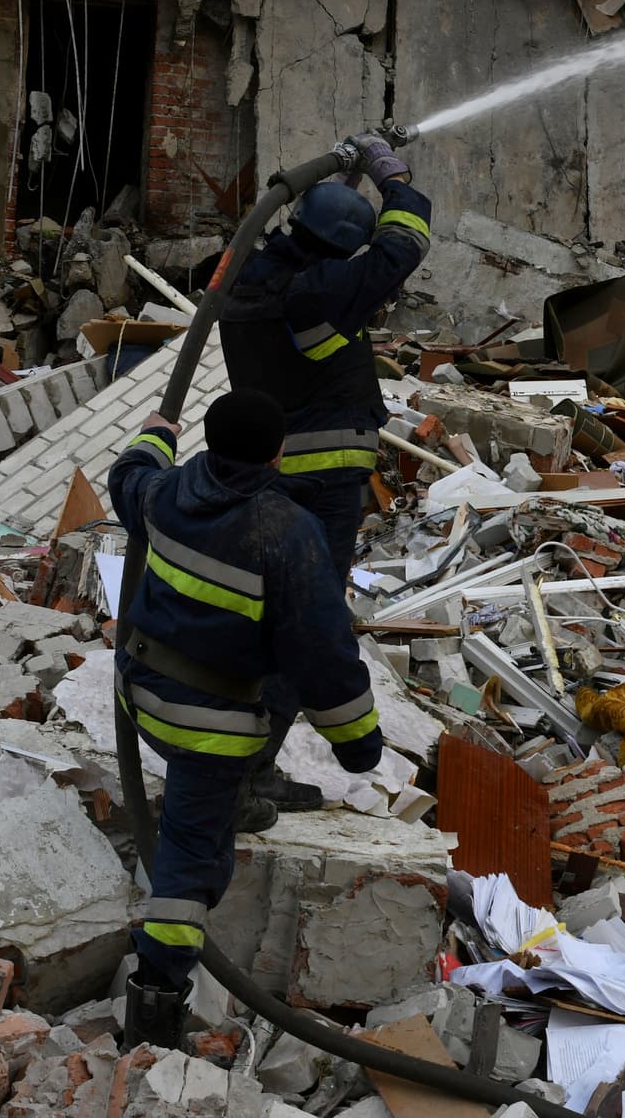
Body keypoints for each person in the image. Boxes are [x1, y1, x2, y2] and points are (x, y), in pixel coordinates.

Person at [111, 390, 384, 1050]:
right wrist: (359, 745)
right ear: (278, 454)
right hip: (207, 729)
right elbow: (323, 655)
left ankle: (231, 800)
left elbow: (127, 476)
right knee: (189, 863)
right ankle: (154, 1011)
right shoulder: (286, 534)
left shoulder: (168, 491)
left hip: (140, 695)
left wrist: (155, 433)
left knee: (203, 807)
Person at [218, 133, 430, 817]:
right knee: (301, 625)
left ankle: (238, 763)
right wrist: (392, 178)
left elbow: (327, 256)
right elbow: (403, 247)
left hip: (268, 475)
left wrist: (344, 183)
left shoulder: (255, 274)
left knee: (261, 620)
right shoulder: (318, 291)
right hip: (320, 485)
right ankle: (248, 777)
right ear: (338, 252)